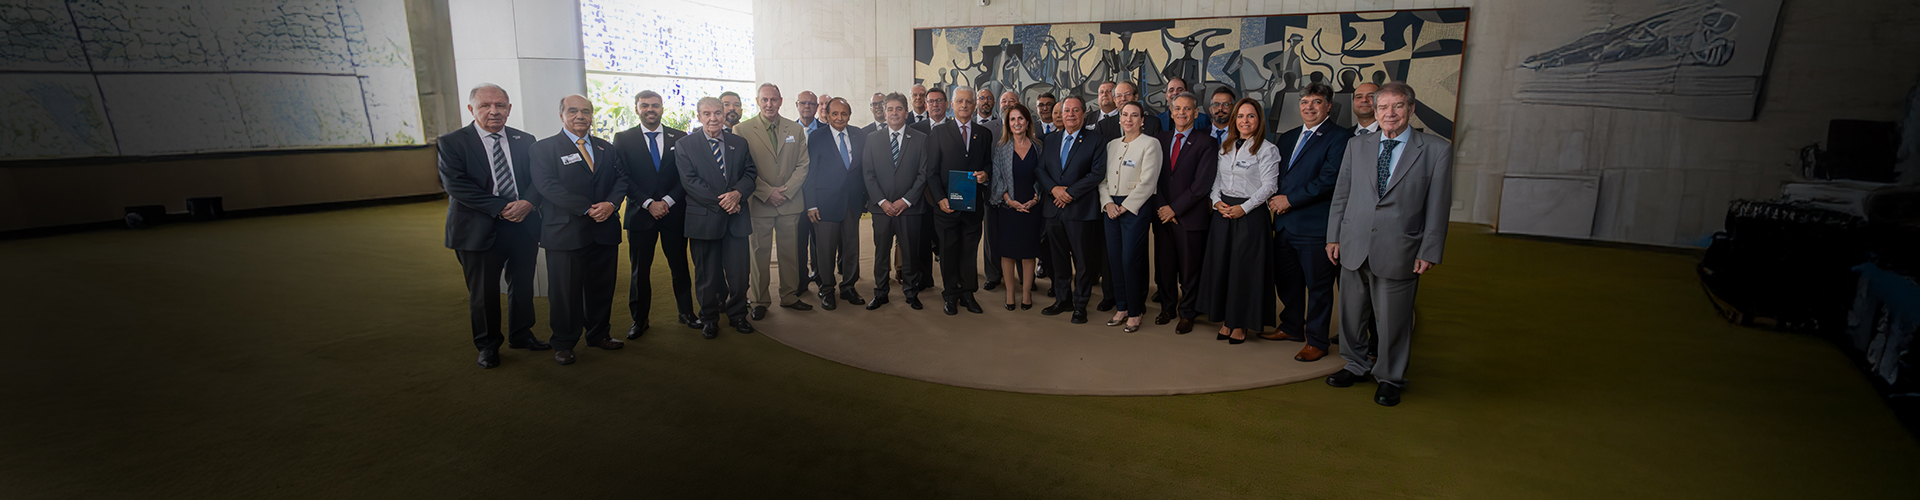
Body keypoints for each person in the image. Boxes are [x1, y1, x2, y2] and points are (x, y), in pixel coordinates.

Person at [1324, 82, 1453, 407]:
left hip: (1401, 249)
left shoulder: (1435, 150)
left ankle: (1389, 377)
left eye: (1397, 107)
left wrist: (1430, 249)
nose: (1389, 113)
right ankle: (1355, 364)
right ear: (1376, 111)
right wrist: (1334, 235)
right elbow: (1342, 194)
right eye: (1383, 107)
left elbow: (1439, 206)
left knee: (1393, 319)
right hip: (1354, 244)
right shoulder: (1357, 146)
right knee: (1351, 314)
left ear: (1411, 109)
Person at [439, 83, 548, 369]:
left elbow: (538, 179)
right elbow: (456, 186)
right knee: (484, 292)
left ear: (509, 109)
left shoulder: (526, 140)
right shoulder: (452, 142)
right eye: (486, 105)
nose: (494, 111)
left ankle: (522, 334)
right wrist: (501, 207)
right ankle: (487, 345)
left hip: (522, 224)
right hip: (477, 227)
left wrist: (527, 203)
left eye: (500, 105)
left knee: (522, 284)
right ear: (471, 109)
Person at [530, 95, 630, 365]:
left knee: (601, 287)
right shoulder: (544, 148)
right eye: (573, 111)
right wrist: (588, 208)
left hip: (604, 229)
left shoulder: (606, 148)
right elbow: (547, 186)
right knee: (565, 292)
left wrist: (611, 204)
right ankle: (563, 342)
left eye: (586, 111)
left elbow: (622, 179)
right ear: (561, 115)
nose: (580, 116)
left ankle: (599, 334)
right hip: (565, 232)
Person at [1260, 82, 1353, 361]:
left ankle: (1317, 340)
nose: (1309, 107)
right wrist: (1272, 195)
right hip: (1285, 224)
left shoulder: (1340, 138)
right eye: (1305, 103)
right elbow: (1274, 175)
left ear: (1328, 106)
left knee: (1318, 286)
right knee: (1287, 281)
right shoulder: (1286, 137)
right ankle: (1291, 326)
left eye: (1316, 102)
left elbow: (1329, 179)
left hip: (1314, 226)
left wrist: (1290, 200)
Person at [612, 90, 699, 340]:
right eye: (645, 105)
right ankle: (639, 319)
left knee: (680, 266)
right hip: (641, 214)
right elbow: (623, 177)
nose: (651, 109)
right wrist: (649, 203)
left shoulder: (680, 137)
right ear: (636, 108)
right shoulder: (623, 139)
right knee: (640, 271)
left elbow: (686, 177)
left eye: (655, 105)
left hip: (673, 213)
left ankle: (686, 313)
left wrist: (668, 201)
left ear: (662, 108)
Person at [1197, 98, 1279, 345]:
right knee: (1223, 267)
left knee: (1244, 272)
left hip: (1250, 216)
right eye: (1241, 116)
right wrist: (1215, 201)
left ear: (1259, 120)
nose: (1245, 121)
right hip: (1223, 214)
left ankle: (1241, 323)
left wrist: (1243, 208)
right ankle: (1226, 319)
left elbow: (1270, 186)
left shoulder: (1267, 149)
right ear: (1234, 120)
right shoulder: (1226, 146)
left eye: (1251, 116)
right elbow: (1216, 180)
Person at [676, 97, 758, 339]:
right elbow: (690, 182)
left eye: (717, 113)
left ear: (724, 114)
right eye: (707, 114)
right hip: (704, 220)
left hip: (737, 221)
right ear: (699, 116)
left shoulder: (739, 143)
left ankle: (738, 316)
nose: (713, 118)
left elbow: (751, 173)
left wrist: (737, 194)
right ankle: (709, 318)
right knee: (707, 277)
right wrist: (725, 201)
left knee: (739, 275)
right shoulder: (685, 145)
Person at [736, 83, 813, 319]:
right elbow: (741, 168)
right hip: (759, 203)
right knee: (759, 254)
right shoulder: (742, 130)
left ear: (781, 101)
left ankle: (789, 296)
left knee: (790, 253)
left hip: (790, 203)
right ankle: (760, 300)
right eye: (764, 100)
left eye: (773, 100)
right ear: (758, 101)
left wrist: (786, 192)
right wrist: (767, 192)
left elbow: (803, 165)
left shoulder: (795, 129)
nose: (769, 104)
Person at [1144, 91, 1219, 334]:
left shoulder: (1206, 142)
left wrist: (1174, 208)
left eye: (1187, 109)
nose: (1182, 113)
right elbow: (1152, 177)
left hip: (1190, 216)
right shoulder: (1159, 139)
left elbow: (1202, 184)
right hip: (1162, 214)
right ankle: (1167, 308)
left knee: (1190, 268)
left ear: (1196, 113)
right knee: (1165, 266)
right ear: (1171, 111)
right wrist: (1163, 207)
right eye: (1178, 109)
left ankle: (1187, 313)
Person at [1036, 96, 1107, 325]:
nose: (1071, 114)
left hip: (1081, 210)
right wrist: (1054, 189)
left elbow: (1096, 173)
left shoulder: (1096, 140)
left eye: (1076, 110)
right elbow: (1040, 170)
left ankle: (1080, 304)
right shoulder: (1050, 139)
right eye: (1067, 110)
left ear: (1084, 114)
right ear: (1062, 113)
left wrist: (1070, 193)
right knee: (1058, 259)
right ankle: (1062, 299)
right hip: (1053, 209)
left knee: (1083, 261)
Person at [862, 92, 932, 310]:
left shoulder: (920, 139)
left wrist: (906, 200)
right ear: (884, 111)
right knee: (881, 252)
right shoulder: (872, 139)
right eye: (890, 109)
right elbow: (868, 173)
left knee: (910, 253)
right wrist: (882, 201)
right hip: (881, 209)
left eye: (898, 109)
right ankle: (881, 292)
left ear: (906, 112)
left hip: (909, 209)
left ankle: (911, 293)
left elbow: (924, 174)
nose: (894, 113)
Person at [1099, 101, 1163, 332]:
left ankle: (1135, 312)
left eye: (1134, 115)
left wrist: (1124, 207)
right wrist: (1107, 203)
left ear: (1142, 120)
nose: (1128, 119)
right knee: (1115, 260)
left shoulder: (1150, 144)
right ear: (1120, 118)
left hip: (1134, 209)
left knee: (1129, 260)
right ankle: (1122, 307)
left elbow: (1148, 182)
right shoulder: (1111, 145)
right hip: (1110, 208)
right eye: (1125, 115)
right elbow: (1102, 179)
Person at [927, 86, 992, 315]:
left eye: (969, 102)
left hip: (973, 207)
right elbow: (931, 172)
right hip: (946, 207)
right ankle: (950, 295)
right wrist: (940, 199)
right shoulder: (938, 133)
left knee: (968, 251)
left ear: (974, 106)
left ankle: (968, 293)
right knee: (948, 251)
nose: (964, 105)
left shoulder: (984, 134)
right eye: (960, 101)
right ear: (952, 105)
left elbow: (987, 164)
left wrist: (985, 174)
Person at [804, 97, 868, 310]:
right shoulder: (816, 137)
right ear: (827, 115)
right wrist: (811, 204)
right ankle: (827, 289)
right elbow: (810, 172)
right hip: (825, 204)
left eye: (844, 114)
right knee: (826, 250)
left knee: (851, 248)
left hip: (852, 202)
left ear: (849, 115)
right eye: (835, 114)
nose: (839, 118)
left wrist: (865, 199)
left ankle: (849, 286)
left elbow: (864, 169)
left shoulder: (859, 134)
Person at [989, 102, 1044, 311]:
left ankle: (1027, 294)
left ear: (1027, 121)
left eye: (1020, 118)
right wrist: (1008, 199)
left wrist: (1036, 198)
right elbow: (997, 177)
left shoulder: (1038, 147)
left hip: (1031, 207)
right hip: (1008, 208)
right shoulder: (1002, 149)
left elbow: (1043, 177)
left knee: (1029, 253)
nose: (1017, 122)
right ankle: (1010, 294)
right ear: (1008, 123)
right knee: (1008, 253)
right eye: (1012, 119)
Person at [1097, 81, 1163, 140]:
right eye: (1119, 95)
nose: (1123, 98)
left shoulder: (1153, 123)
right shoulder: (1103, 126)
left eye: (1127, 94)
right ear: (1114, 100)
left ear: (1136, 97)